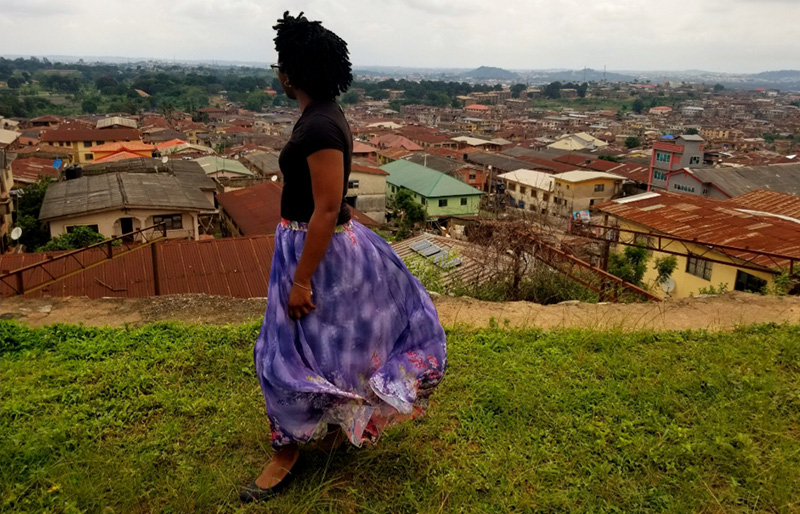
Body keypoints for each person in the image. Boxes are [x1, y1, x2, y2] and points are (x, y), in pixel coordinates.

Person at [241, 12, 447, 502]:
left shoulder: (319, 127)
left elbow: (327, 206)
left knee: (281, 357)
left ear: (292, 72)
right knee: (325, 350)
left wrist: (300, 281)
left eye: (281, 64)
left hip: (315, 254)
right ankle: (329, 428)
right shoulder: (324, 115)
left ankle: (286, 453)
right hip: (312, 247)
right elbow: (329, 195)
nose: (277, 72)